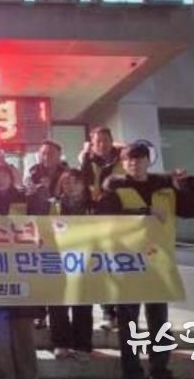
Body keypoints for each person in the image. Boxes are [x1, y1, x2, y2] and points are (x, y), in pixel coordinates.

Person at [99, 142, 194, 379]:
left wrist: (186, 183)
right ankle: (131, 370)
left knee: (159, 319)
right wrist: (144, 213)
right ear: (123, 163)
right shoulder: (115, 186)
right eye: (129, 159)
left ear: (148, 161)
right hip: (127, 262)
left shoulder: (165, 187)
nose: (134, 163)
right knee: (128, 320)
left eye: (139, 158)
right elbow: (106, 217)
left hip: (159, 262)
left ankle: (160, 368)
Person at [0, 164, 42, 379]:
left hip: (21, 271)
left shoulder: (25, 197)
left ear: (11, 178)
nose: (0, 179)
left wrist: (37, 196)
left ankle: (28, 374)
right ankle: (5, 375)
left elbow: (40, 222)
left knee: (24, 330)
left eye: (4, 175)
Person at [79, 127, 124, 330]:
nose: (102, 144)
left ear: (112, 141)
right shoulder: (87, 162)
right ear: (92, 144)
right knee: (100, 268)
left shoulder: (123, 159)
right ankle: (108, 312)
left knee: (119, 267)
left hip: (120, 222)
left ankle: (122, 312)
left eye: (105, 140)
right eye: (98, 141)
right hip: (94, 221)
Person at [47, 169, 94, 362]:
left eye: (76, 182)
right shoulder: (52, 205)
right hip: (58, 258)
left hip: (86, 259)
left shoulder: (94, 206)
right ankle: (61, 342)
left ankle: (82, 345)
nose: (71, 186)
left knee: (83, 301)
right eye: (66, 182)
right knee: (58, 301)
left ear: (83, 185)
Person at [25, 139, 68, 329]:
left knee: (59, 279)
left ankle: (59, 321)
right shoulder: (31, 175)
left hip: (63, 233)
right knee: (39, 275)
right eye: (43, 153)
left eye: (51, 153)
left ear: (59, 156)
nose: (46, 157)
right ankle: (39, 313)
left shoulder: (68, 174)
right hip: (39, 234)